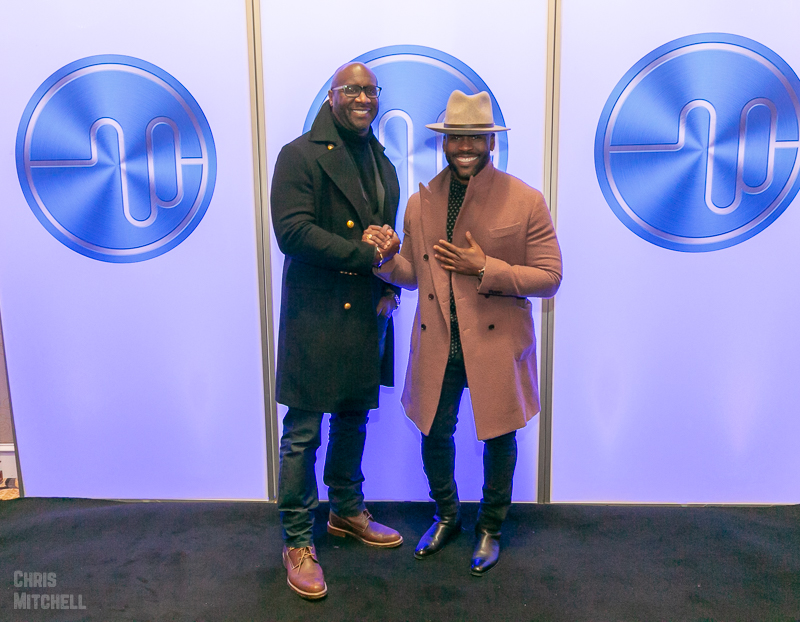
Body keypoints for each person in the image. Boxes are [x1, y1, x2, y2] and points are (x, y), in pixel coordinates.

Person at [367, 90, 562, 576]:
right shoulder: (420, 203)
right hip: (439, 340)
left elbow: (551, 277)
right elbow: (414, 274)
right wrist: (385, 261)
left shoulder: (526, 199)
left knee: (499, 436)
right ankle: (447, 514)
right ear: (444, 142)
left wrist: (486, 267)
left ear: (491, 142)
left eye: (476, 137)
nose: (466, 146)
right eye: (457, 137)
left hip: (496, 340)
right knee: (434, 432)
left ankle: (490, 527)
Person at [270, 62, 404, 600]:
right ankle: (297, 541)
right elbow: (292, 232)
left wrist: (390, 284)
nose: (363, 98)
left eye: (371, 90)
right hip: (315, 314)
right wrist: (363, 255)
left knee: (353, 418)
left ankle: (345, 509)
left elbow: (387, 238)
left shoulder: (383, 161)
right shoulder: (298, 155)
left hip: (367, 311)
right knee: (303, 432)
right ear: (332, 97)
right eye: (352, 89)